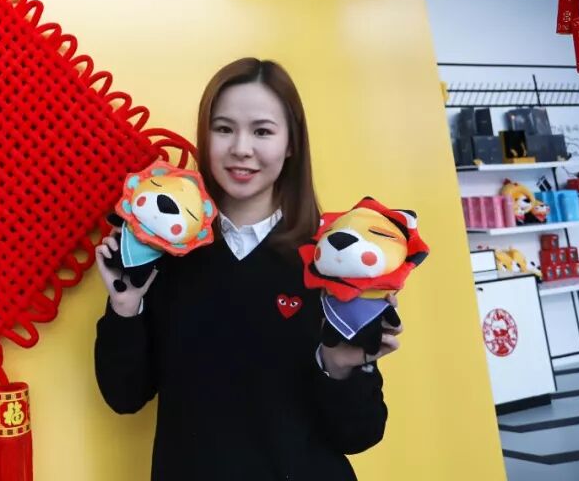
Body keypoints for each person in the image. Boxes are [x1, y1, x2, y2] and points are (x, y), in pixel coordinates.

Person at [94, 58, 402, 480]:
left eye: (262, 131)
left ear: (291, 143)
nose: (241, 148)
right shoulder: (164, 251)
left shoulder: (330, 260)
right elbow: (124, 396)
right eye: (224, 129)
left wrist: (339, 366)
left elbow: (359, 434)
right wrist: (125, 308)